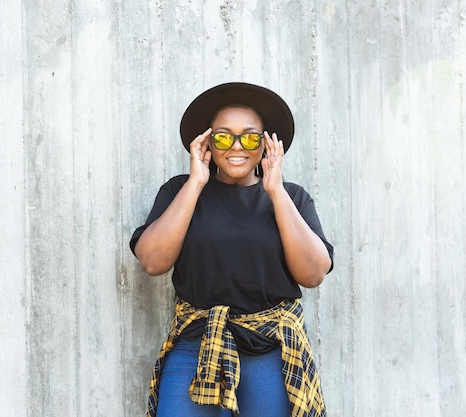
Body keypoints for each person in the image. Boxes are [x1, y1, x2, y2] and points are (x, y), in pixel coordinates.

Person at [130, 82, 334, 417]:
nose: (236, 146)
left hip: (269, 354)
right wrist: (197, 181)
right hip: (196, 347)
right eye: (223, 136)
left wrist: (275, 189)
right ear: (207, 142)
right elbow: (152, 262)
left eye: (250, 137)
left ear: (266, 143)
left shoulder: (292, 198)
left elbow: (313, 274)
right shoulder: (180, 190)